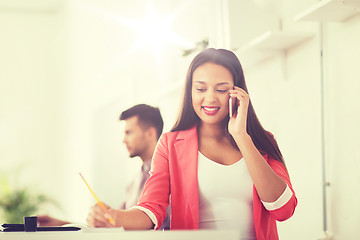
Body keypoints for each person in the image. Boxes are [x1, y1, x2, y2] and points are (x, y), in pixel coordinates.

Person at [87, 48, 297, 239]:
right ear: (190, 92)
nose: (210, 98)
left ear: (237, 93)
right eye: (201, 89)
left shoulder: (262, 141)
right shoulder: (170, 144)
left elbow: (283, 209)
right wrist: (115, 217)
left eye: (221, 90)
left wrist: (241, 135)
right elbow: (152, 209)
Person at [38, 104, 170, 230]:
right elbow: (114, 225)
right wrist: (63, 225)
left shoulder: (169, 176)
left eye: (128, 132)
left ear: (150, 134)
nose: (123, 140)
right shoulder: (134, 182)